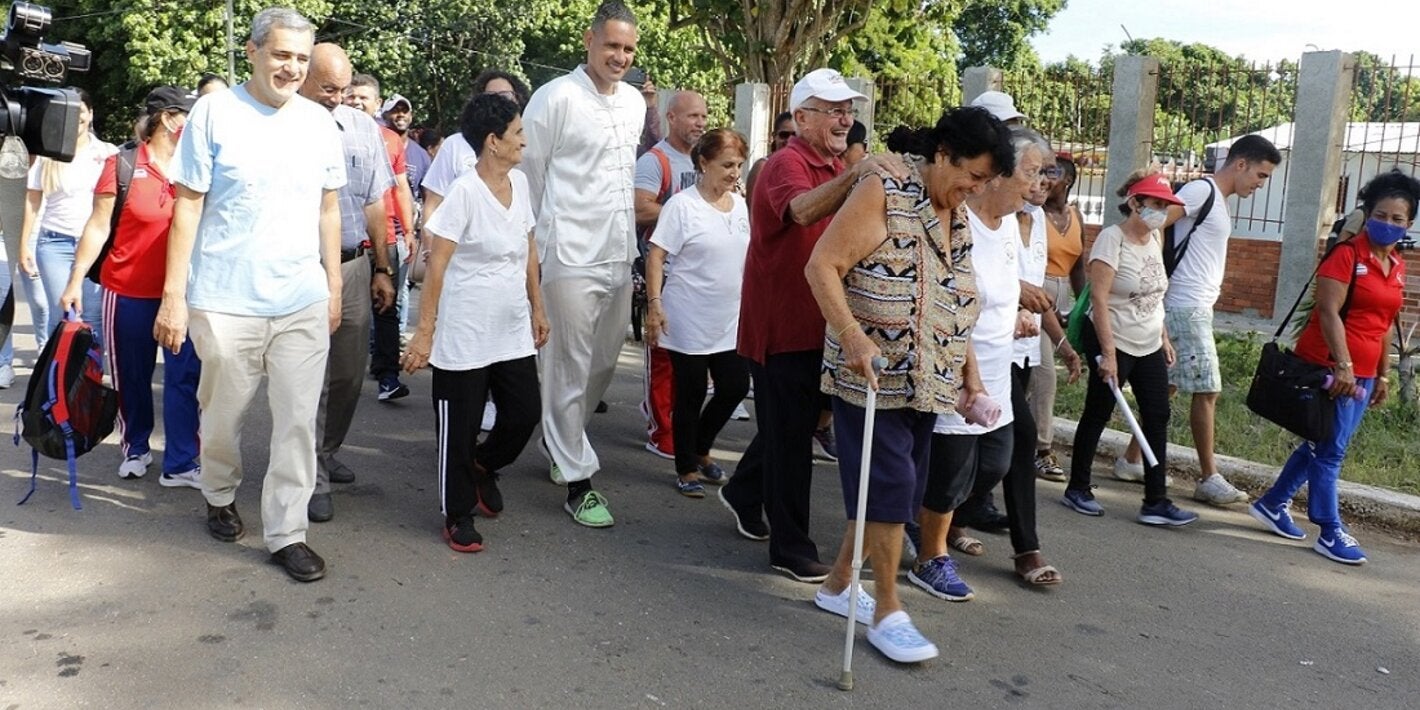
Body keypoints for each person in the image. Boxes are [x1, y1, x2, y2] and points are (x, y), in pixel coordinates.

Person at [803, 106, 1013, 663]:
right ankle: (889, 608)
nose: (973, 188)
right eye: (970, 175)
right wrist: (851, 338)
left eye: (984, 182)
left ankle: (838, 582)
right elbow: (822, 265)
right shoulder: (886, 188)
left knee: (890, 485)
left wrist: (972, 380)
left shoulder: (958, 215)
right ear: (942, 155)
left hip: (930, 379)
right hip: (870, 376)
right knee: (893, 483)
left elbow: (957, 301)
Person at [154, 7, 347, 582]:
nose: (291, 67)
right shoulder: (215, 112)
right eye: (281, 54)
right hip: (225, 299)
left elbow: (329, 209)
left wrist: (333, 283)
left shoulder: (318, 122)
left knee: (295, 424)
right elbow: (187, 204)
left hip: (301, 300)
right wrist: (174, 296)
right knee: (223, 418)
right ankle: (218, 493)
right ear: (255, 53)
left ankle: (287, 533)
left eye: (300, 58)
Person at [718, 67, 903, 583]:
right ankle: (790, 548)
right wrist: (859, 173)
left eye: (849, 110)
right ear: (801, 117)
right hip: (781, 328)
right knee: (791, 442)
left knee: (791, 429)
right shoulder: (787, 163)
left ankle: (742, 491)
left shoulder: (834, 165)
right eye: (833, 109)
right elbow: (799, 212)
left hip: (824, 326)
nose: (846, 118)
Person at [401, 93, 549, 552]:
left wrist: (537, 308)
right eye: (518, 132)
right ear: (493, 141)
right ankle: (457, 512)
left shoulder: (520, 185)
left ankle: (484, 465)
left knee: (525, 413)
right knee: (459, 426)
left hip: (510, 328)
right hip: (465, 330)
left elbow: (528, 249)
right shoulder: (464, 191)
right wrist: (424, 333)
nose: (524, 140)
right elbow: (437, 266)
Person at [521, 0, 646, 527]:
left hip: (619, 252)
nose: (620, 56)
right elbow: (529, 179)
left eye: (629, 49)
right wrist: (533, 257)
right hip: (567, 254)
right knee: (567, 365)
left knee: (602, 364)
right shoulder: (554, 99)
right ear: (589, 41)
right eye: (612, 45)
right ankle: (577, 481)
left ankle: (561, 438)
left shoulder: (637, 103)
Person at [1250, 170, 1414, 565]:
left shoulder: (1395, 264)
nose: (1388, 224)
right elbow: (1327, 312)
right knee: (1331, 451)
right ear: (1366, 213)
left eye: (1398, 219)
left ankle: (1273, 503)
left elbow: (1380, 326)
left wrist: (1383, 374)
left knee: (1323, 442)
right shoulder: (1347, 255)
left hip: (1363, 371)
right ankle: (1329, 529)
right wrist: (1343, 365)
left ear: (1409, 223)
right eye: (1381, 214)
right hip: (1329, 366)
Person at [906, 126, 1040, 602]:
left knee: (995, 463)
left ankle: (920, 523)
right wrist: (967, 374)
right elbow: (951, 299)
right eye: (1030, 173)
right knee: (952, 474)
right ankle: (930, 557)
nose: (1036, 184)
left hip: (998, 370)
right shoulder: (958, 218)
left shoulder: (1008, 226)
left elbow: (1003, 290)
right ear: (999, 176)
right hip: (956, 368)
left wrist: (1020, 313)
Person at [1118, 135, 1281, 506]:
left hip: (1193, 307)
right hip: (1184, 306)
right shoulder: (1200, 191)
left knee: (1169, 388)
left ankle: (1130, 459)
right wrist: (1154, 277)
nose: (1260, 183)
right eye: (1260, 174)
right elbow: (1152, 223)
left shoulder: (1217, 200)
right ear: (1240, 164)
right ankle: (1209, 477)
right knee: (1208, 390)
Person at [59, 87, 202, 486]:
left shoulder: (198, 165)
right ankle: (135, 446)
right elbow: (98, 225)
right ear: (168, 119)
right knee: (132, 377)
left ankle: (182, 461)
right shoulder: (121, 164)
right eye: (187, 115)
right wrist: (74, 280)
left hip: (184, 295)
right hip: (127, 293)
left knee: (185, 376)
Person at [1062, 172, 1198, 527]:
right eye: (1155, 204)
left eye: (1165, 206)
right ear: (1135, 203)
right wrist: (1107, 354)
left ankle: (1156, 501)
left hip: (1149, 340)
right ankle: (1078, 487)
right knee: (1099, 410)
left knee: (1158, 414)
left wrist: (1164, 336)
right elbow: (1101, 299)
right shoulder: (1112, 239)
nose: (1161, 211)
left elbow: (1155, 293)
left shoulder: (1155, 236)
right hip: (1113, 338)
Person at [299, 43, 397, 523]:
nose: (338, 99)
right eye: (327, 89)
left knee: (348, 376)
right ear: (303, 80)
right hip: (302, 268)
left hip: (356, 266)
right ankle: (310, 476)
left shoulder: (363, 130)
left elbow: (376, 201)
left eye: (343, 89)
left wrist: (383, 267)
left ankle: (326, 450)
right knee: (311, 379)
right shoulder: (286, 125)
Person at [643, 128, 751, 497]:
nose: (734, 172)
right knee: (689, 395)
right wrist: (655, 305)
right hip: (687, 315)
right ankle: (687, 467)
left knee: (735, 386)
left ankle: (700, 447)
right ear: (703, 163)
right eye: (726, 165)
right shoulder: (682, 206)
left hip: (729, 317)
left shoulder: (740, 204)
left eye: (738, 164)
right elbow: (656, 255)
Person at [634, 90, 709, 460]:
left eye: (704, 117)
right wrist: (685, 214)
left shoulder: (707, 161)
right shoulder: (655, 161)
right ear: (671, 117)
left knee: (690, 360)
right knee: (663, 357)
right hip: (662, 273)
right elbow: (639, 209)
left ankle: (681, 426)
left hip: (698, 278)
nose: (700, 123)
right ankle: (661, 430)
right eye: (693, 116)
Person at [18, 88, 117, 348]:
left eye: (81, 112)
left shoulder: (108, 153)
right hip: (55, 243)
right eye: (70, 113)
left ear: (91, 113)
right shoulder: (47, 153)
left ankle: (89, 378)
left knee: (93, 315)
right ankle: (57, 379)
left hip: (96, 246)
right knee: (62, 312)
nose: (77, 118)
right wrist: (23, 244)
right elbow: (32, 200)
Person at [347, 73, 417, 402]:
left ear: (377, 104)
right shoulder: (327, 131)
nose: (357, 102)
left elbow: (401, 187)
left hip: (384, 237)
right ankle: (335, 376)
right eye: (352, 96)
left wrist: (409, 230)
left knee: (386, 308)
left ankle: (388, 376)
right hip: (344, 239)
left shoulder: (390, 139)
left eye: (364, 97)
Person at [1030, 154, 1087, 481]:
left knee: (1031, 376)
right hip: (1036, 294)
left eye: (1052, 174)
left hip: (1063, 294)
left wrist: (1082, 309)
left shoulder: (1076, 216)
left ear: (1067, 180)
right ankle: (1043, 449)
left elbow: (1079, 266)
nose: (1045, 180)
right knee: (1045, 374)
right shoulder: (1033, 215)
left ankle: (1014, 439)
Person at [744, 111, 794, 208]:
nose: (789, 140)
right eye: (784, 135)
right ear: (774, 136)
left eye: (794, 135)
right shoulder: (762, 167)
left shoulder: (804, 167)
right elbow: (752, 208)